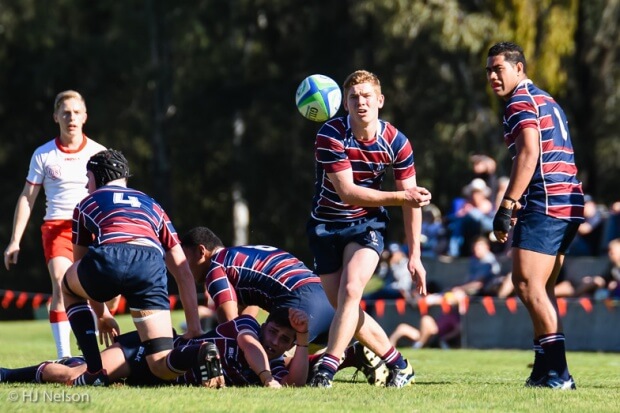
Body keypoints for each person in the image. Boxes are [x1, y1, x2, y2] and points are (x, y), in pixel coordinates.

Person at [306, 69, 432, 388]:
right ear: (344, 104)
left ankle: (326, 367)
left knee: (351, 291)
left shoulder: (397, 143)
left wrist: (414, 256)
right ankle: (400, 365)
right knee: (345, 308)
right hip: (325, 225)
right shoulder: (330, 135)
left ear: (380, 100)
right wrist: (401, 195)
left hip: (366, 225)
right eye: (353, 97)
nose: (360, 102)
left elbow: (412, 201)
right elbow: (348, 192)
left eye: (366, 96)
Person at [487, 42, 585, 390]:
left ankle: (559, 374)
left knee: (527, 285)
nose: (492, 76)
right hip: (569, 200)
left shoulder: (519, 101)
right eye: (489, 71)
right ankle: (544, 370)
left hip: (547, 200)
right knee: (542, 288)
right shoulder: (546, 99)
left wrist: (507, 205)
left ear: (519, 68)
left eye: (499, 68)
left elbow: (529, 153)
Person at [61, 149, 203, 386]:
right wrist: (194, 328)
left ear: (98, 176)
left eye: (88, 178)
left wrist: (102, 315)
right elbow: (182, 270)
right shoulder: (154, 205)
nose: (87, 185)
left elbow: (81, 266)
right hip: (150, 264)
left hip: (110, 256)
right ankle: (200, 352)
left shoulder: (86, 203)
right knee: (160, 363)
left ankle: (95, 371)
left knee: (67, 287)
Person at [3, 90, 106, 359]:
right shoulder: (43, 155)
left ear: (85, 117)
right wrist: (15, 240)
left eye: (76, 112)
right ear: (56, 117)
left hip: (92, 227)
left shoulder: (99, 153)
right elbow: (28, 197)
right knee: (61, 284)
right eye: (65, 112)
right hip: (57, 228)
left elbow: (111, 197)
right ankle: (64, 357)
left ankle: (91, 355)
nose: (71, 117)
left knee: (94, 288)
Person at [0, 308, 311, 388]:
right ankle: (7, 375)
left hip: (156, 373)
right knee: (73, 378)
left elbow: (295, 382)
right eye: (273, 332)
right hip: (151, 351)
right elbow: (249, 345)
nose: (274, 342)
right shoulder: (245, 326)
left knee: (78, 369)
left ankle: (74, 360)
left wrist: (302, 339)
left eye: (284, 340)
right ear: (264, 325)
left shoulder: (278, 364)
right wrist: (266, 376)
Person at [180, 226, 335, 345]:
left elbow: (230, 327)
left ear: (202, 251)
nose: (184, 268)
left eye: (186, 258)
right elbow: (249, 310)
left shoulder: (216, 267)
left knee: (263, 359)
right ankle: (347, 356)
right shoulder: (240, 255)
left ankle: (319, 363)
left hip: (301, 304)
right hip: (329, 296)